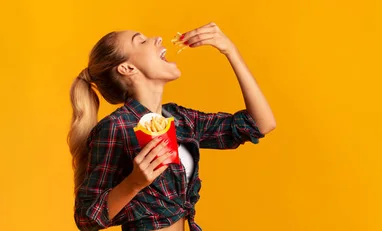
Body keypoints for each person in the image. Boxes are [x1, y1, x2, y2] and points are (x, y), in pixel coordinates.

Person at [67, 22, 276, 231]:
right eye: (140, 41)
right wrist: (134, 183)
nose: (157, 38)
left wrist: (230, 50)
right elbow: (86, 219)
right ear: (127, 68)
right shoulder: (117, 127)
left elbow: (260, 124)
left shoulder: (180, 119)